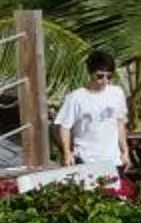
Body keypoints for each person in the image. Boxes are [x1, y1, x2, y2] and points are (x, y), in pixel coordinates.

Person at [55, 53, 131, 181]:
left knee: (118, 197)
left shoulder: (117, 93)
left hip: (112, 159)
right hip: (86, 159)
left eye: (109, 77)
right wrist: (67, 152)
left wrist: (125, 151)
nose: (105, 81)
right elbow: (64, 126)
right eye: (100, 76)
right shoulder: (76, 97)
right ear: (90, 73)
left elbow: (120, 123)